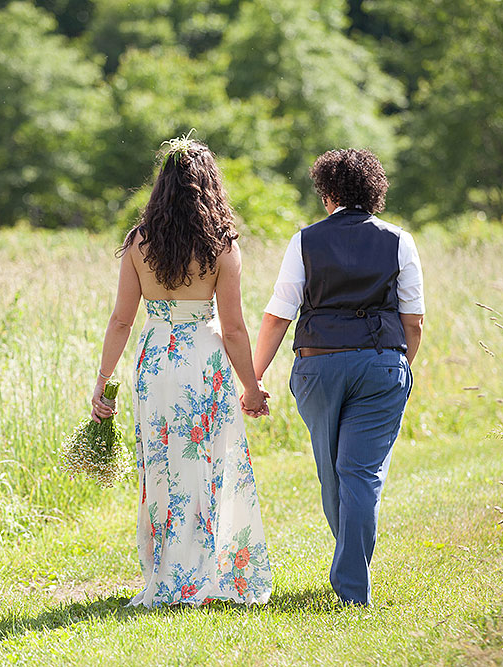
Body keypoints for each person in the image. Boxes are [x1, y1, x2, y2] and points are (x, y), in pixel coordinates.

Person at [89, 135, 272, 607]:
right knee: (206, 465)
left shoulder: (138, 242)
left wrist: (103, 382)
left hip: (155, 362)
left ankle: (166, 572)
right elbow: (233, 328)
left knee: (162, 467)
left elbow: (121, 321)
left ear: (161, 187)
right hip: (202, 364)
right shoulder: (222, 246)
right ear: (210, 186)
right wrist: (252, 387)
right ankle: (205, 574)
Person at [250, 148, 424, 606]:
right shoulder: (400, 241)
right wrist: (401, 365)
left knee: (334, 474)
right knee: (359, 475)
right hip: (381, 364)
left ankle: (351, 584)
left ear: (327, 193)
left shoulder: (304, 240)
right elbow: (414, 322)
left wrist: (253, 379)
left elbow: (277, 316)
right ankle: (353, 576)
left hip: (318, 365)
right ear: (374, 192)